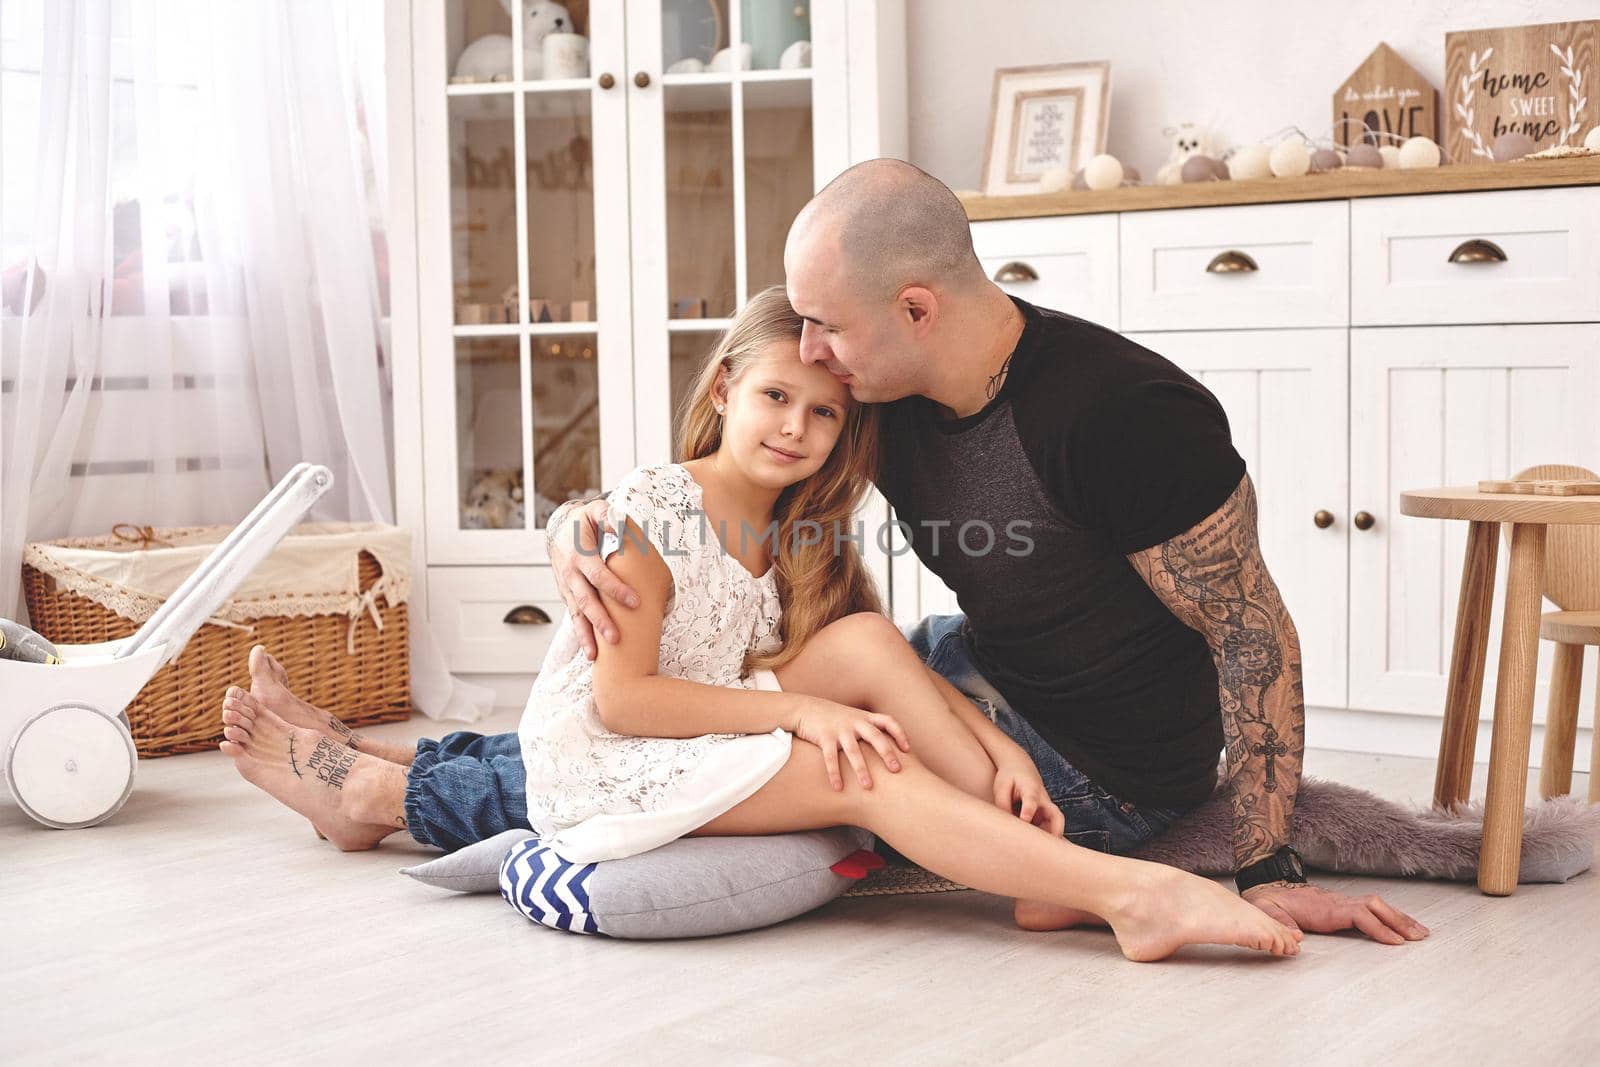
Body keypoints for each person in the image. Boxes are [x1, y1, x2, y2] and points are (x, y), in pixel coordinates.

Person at [219, 286, 1301, 962]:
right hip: (611, 753)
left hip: (698, 725)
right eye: (777, 397)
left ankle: (1027, 860)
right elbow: (622, 701)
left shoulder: (800, 530)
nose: (799, 427)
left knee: (870, 648)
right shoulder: (650, 511)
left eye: (826, 413)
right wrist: (799, 716)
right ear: (726, 387)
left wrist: (992, 742)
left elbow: (853, 658)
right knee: (857, 761)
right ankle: (1128, 894)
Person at [548, 160, 1430, 948]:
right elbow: (722, 481)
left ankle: (1104, 884)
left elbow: (1253, 634)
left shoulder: (1123, 415)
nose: (812, 354)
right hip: (980, 675)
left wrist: (1268, 868)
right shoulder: (875, 392)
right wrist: (584, 525)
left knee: (838, 755)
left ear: (916, 310)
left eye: (827, 328)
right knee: (820, 658)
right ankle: (434, 776)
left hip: (1098, 766)